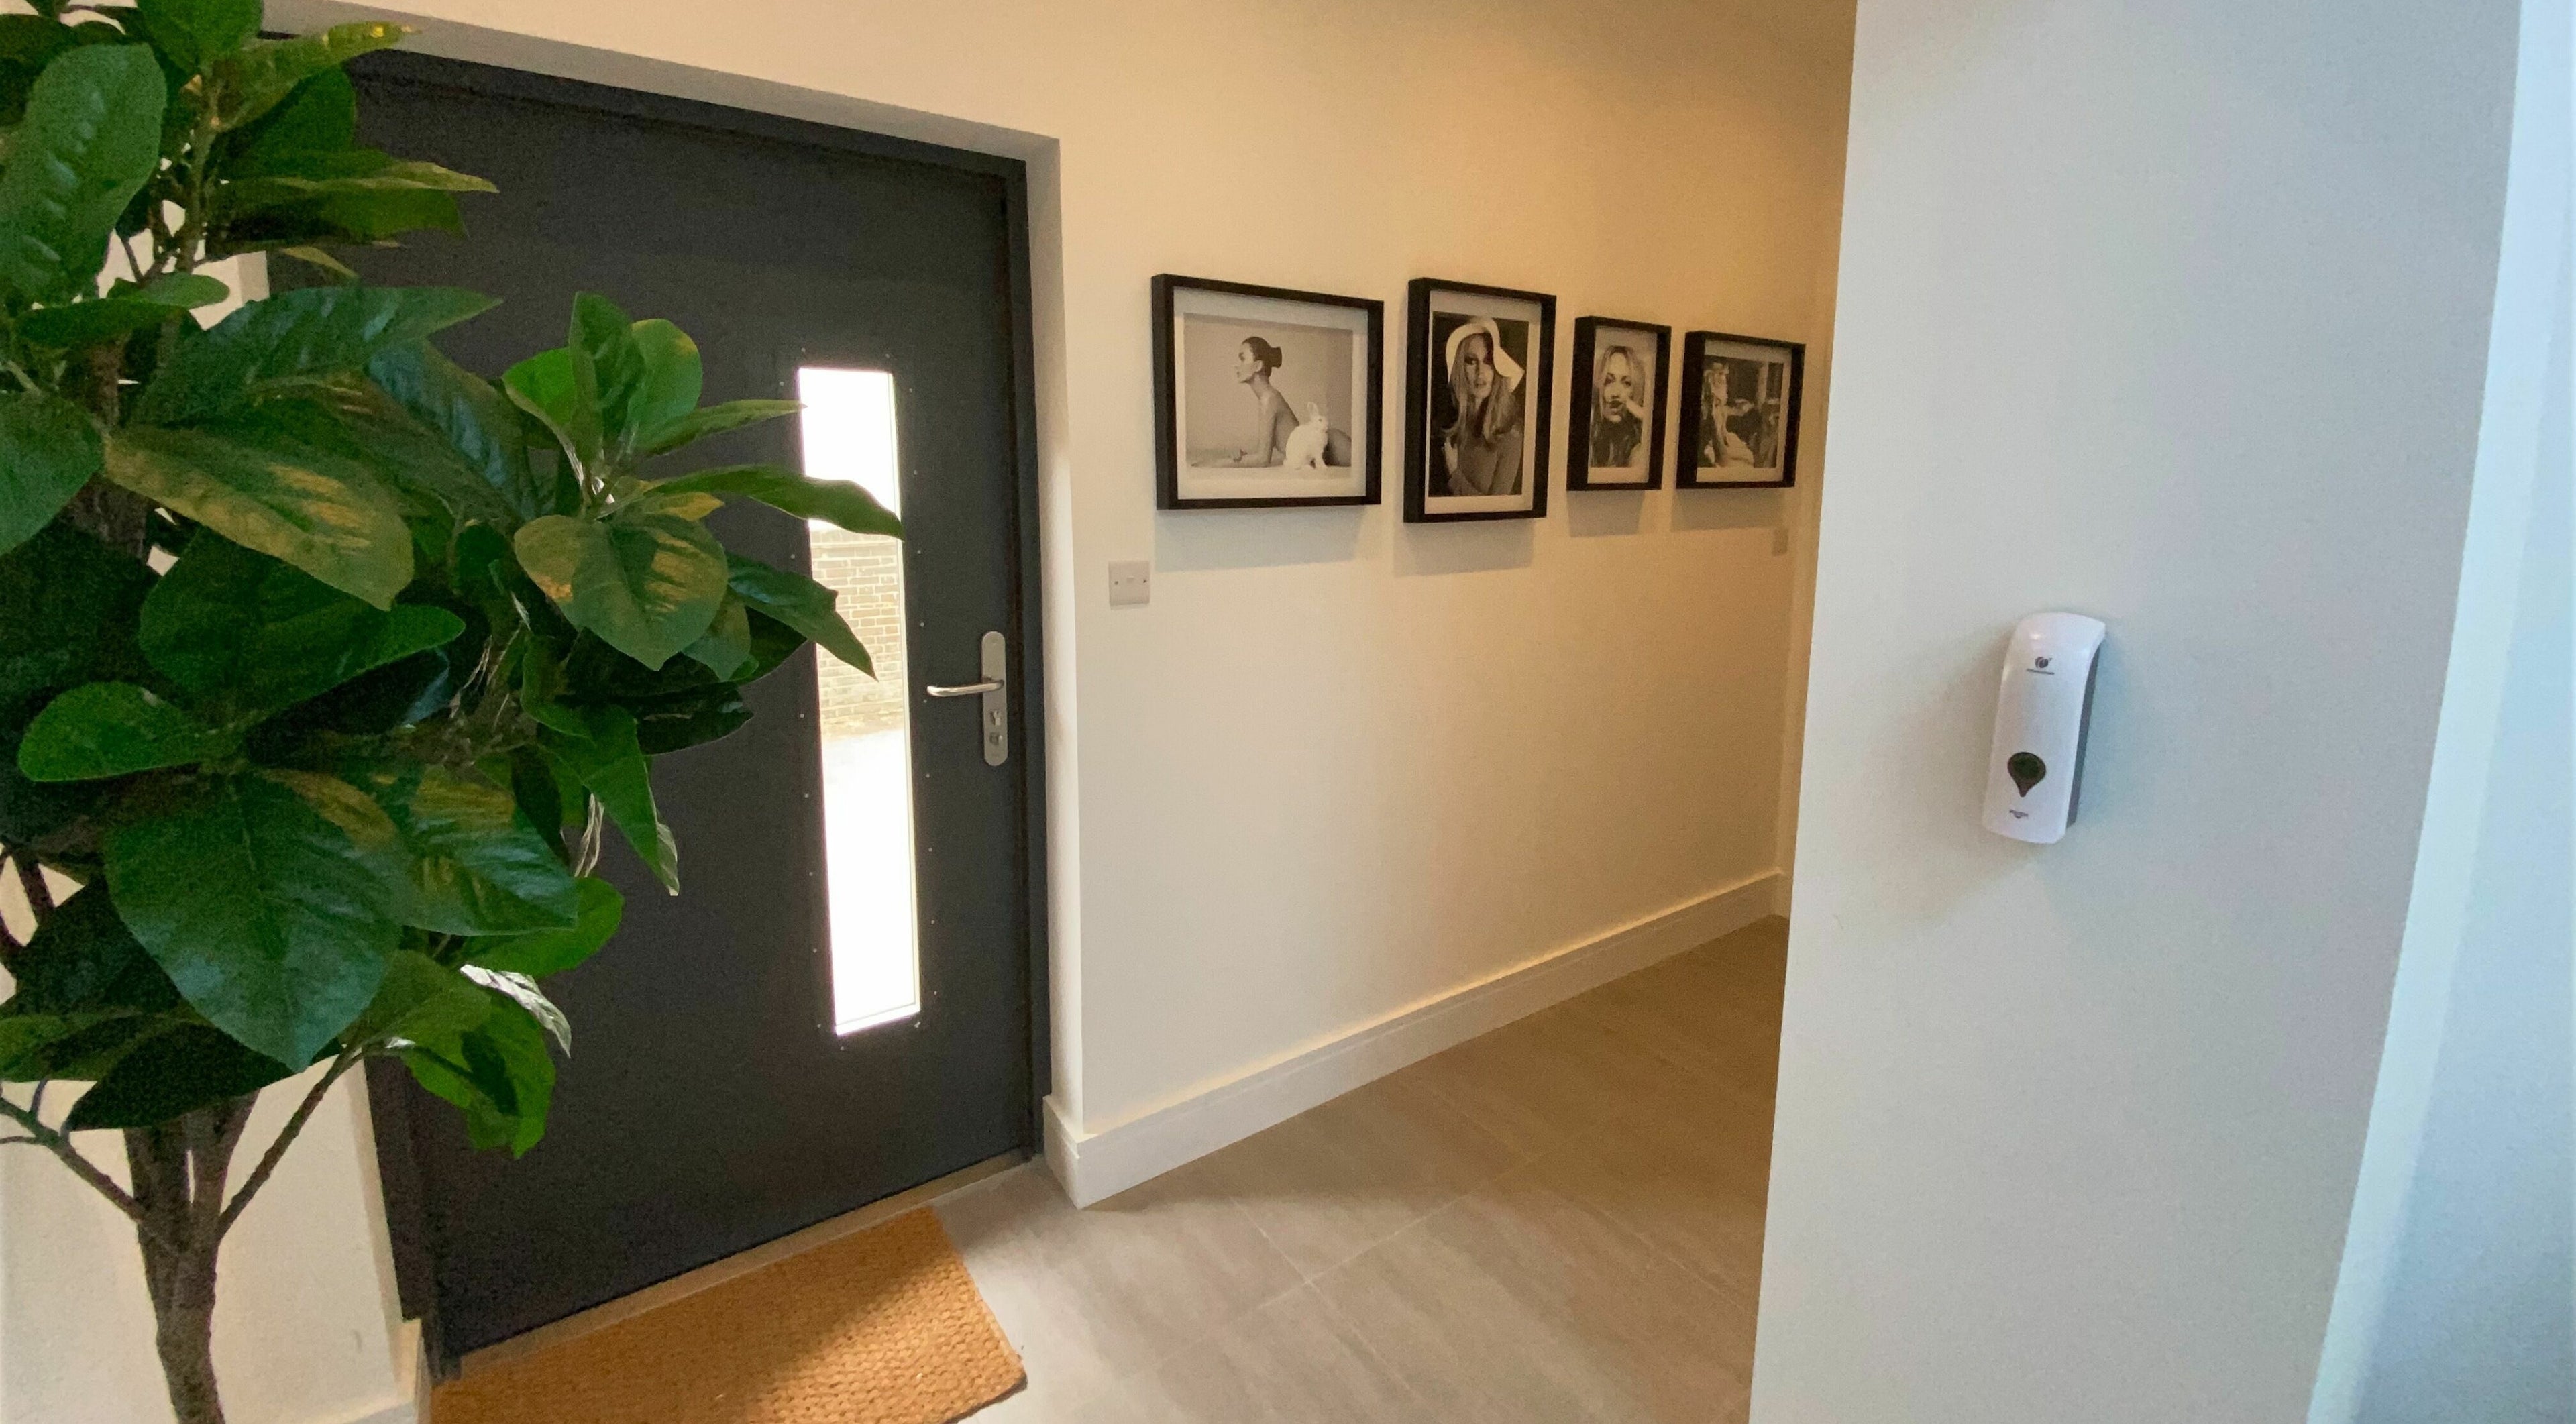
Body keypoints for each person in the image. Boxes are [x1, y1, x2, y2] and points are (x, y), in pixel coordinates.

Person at [1201, 335, 1351, 468]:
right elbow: (1266, 446)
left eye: (1242, 358)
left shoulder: (1269, 399)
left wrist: (1216, 464)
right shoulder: (1267, 398)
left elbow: (1262, 460)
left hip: (1332, 446)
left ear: (1258, 366)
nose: (1237, 365)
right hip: (1327, 448)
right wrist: (1242, 454)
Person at [1439, 316, 1524, 496]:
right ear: (1461, 368)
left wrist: (1455, 475)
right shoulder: (1449, 426)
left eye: (1488, 361)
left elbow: (1496, 512)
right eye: (1471, 361)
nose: (1480, 372)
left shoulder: (1511, 433)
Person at [1588, 343, 1648, 469]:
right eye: (1608, 381)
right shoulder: (1588, 442)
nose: (1616, 393)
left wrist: (1648, 423)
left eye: (1627, 383)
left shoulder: (1640, 448)